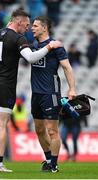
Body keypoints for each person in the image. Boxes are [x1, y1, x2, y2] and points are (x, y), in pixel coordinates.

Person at [0, 8, 61, 172]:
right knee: (1, 125)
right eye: (26, 24)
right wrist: (49, 47)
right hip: (5, 86)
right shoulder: (19, 39)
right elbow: (31, 58)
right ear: (18, 21)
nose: (28, 27)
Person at [30, 16, 77, 172]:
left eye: (35, 26)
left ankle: (54, 164)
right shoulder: (34, 46)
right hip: (35, 94)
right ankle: (48, 159)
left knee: (52, 130)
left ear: (45, 28)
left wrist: (72, 89)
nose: (32, 28)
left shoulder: (56, 46)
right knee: (39, 130)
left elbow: (67, 67)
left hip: (50, 93)